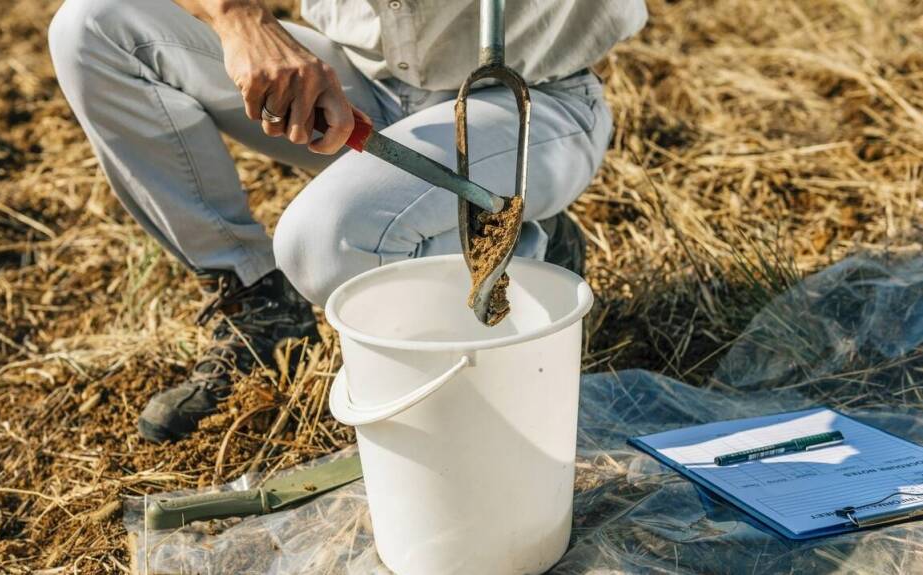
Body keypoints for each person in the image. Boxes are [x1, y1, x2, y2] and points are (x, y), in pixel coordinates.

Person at [47, 0, 647, 442]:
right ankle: (258, 303)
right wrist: (239, 18)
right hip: (359, 82)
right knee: (93, 26)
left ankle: (524, 243)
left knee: (322, 245)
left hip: (528, 98)